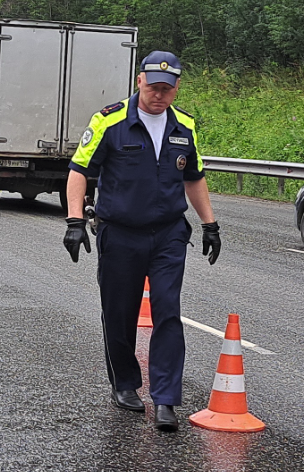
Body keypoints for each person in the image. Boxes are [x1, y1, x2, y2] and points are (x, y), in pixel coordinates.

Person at [63, 50, 221, 431]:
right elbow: (80, 170)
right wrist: (74, 220)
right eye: (153, 87)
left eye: (168, 89)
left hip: (168, 233)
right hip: (120, 233)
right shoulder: (109, 121)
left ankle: (165, 399)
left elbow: (194, 177)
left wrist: (209, 224)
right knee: (120, 314)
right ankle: (126, 384)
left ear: (177, 88)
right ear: (139, 81)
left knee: (168, 312)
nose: (159, 95)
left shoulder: (184, 126)